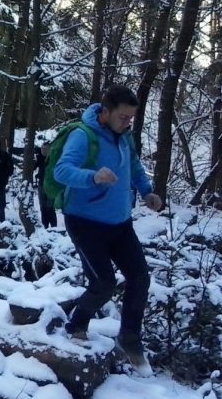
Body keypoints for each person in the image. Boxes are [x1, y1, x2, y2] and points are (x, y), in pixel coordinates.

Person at [54, 84, 163, 366]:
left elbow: (134, 166)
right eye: (123, 117)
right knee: (103, 283)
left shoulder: (124, 138)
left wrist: (147, 191)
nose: (127, 123)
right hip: (85, 222)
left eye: (131, 118)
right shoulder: (83, 135)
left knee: (139, 277)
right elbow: (61, 170)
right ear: (105, 112)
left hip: (120, 223)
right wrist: (92, 176)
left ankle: (129, 337)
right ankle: (76, 324)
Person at [34, 141, 58, 229]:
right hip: (41, 185)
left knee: (50, 207)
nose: (43, 151)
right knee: (43, 207)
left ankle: (54, 227)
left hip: (51, 186)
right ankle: (45, 226)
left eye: (46, 149)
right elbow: (33, 167)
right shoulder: (40, 158)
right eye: (42, 149)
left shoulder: (53, 159)